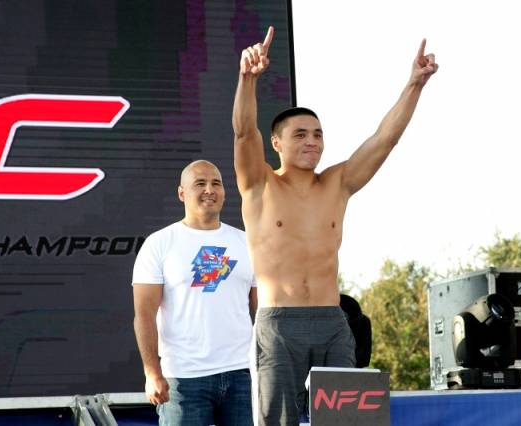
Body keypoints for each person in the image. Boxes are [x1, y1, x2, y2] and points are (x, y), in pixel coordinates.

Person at [232, 26, 437, 425]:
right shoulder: (259, 183)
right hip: (279, 326)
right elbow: (243, 132)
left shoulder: (337, 183)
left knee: (347, 423)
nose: (312, 141)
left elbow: (384, 139)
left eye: (318, 134)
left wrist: (415, 84)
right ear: (276, 143)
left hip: (332, 322)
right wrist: (248, 78)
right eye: (300, 134)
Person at [132, 160, 257, 426]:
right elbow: (144, 315)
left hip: (241, 375)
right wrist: (152, 372)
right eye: (200, 183)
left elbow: (263, 311)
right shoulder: (159, 243)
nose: (209, 190)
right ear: (182, 193)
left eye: (216, 184)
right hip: (183, 379)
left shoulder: (247, 243)